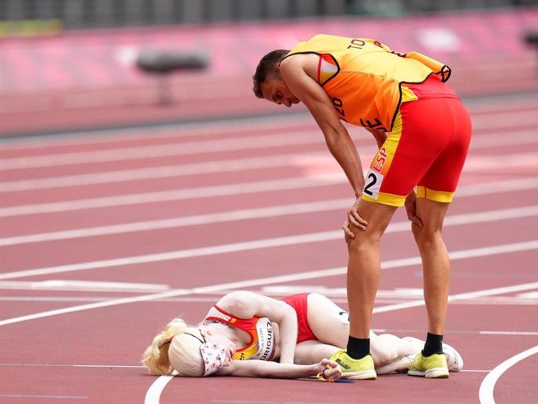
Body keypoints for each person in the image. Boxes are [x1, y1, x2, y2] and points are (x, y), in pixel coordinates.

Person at [253, 34, 472, 380]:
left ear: (277, 71)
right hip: (453, 113)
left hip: (416, 114)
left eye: (279, 95)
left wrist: (360, 191)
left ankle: (357, 354)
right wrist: (408, 194)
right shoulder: (341, 63)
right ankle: (433, 353)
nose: (287, 102)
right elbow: (385, 132)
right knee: (430, 233)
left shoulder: (291, 64)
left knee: (361, 233)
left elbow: (334, 131)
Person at [142, 291, 463, 379]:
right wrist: (309, 370)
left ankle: (409, 347)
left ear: (204, 336)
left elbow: (284, 313)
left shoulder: (232, 306)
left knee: (376, 353)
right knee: (347, 364)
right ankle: (409, 361)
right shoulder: (215, 361)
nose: (223, 360)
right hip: (296, 350)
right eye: (215, 365)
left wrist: (287, 358)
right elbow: (262, 369)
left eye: (217, 354)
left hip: (306, 313)